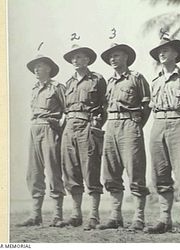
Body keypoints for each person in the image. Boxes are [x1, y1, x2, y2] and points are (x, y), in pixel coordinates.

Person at [145, 37, 180, 235]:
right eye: (159, 51)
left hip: (179, 124)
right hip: (158, 125)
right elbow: (152, 108)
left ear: (176, 54)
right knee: (159, 174)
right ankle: (164, 219)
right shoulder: (156, 81)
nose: (162, 54)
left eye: (166, 50)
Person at [97, 43, 151, 231]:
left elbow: (146, 106)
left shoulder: (137, 78)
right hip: (111, 126)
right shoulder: (109, 82)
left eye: (117, 55)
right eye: (110, 57)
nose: (113, 59)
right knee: (111, 172)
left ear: (126, 57)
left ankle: (139, 217)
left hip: (130, 126)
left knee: (135, 171)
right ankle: (115, 216)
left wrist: (136, 125)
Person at [16, 54, 66, 227]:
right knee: (34, 173)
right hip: (34, 129)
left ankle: (58, 216)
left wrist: (60, 128)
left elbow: (68, 111)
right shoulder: (34, 88)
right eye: (34, 67)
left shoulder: (57, 87)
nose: (36, 70)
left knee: (53, 171)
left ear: (49, 69)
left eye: (40, 66)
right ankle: (35, 215)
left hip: (50, 129)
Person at [61, 44, 107, 230]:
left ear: (87, 59)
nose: (75, 60)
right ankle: (76, 215)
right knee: (71, 171)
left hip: (87, 126)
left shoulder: (97, 79)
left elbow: (105, 106)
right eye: (72, 58)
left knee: (91, 170)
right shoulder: (69, 83)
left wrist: (96, 125)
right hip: (69, 127)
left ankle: (94, 216)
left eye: (79, 57)